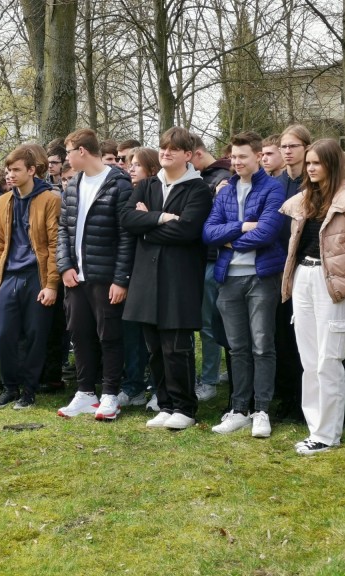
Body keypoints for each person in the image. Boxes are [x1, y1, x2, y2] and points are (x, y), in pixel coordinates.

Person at [279, 139, 345, 454]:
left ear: (332, 165)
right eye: (308, 163)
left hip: (332, 284)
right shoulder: (304, 201)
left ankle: (328, 434)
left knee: (328, 360)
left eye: (317, 163)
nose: (310, 168)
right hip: (303, 278)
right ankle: (315, 428)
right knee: (309, 360)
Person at [121, 126, 213, 430]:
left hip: (179, 278)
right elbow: (126, 219)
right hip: (147, 278)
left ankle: (184, 407)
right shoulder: (146, 185)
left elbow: (187, 230)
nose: (165, 152)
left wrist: (146, 224)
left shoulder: (198, 189)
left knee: (177, 346)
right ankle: (165, 403)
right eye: (163, 147)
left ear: (188, 154)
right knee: (155, 347)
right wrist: (160, 218)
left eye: (173, 148)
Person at [202, 131, 286, 437]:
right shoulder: (224, 191)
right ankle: (239, 409)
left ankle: (261, 410)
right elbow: (208, 232)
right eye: (234, 157)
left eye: (243, 157)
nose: (236, 162)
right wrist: (240, 227)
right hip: (229, 279)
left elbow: (267, 233)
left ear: (258, 157)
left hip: (261, 277)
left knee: (262, 345)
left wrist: (230, 241)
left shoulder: (273, 190)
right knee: (237, 347)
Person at [56, 128, 134, 421]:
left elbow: (126, 236)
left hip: (106, 277)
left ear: (82, 151)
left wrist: (120, 279)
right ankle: (85, 392)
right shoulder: (73, 185)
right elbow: (63, 229)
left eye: (69, 152)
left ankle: (110, 394)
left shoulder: (118, 184)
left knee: (110, 336)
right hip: (76, 278)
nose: (66, 158)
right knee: (80, 334)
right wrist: (64, 266)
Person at [0, 145, 61, 409]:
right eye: (8, 170)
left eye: (16, 170)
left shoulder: (50, 199)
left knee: (35, 336)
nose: (10, 175)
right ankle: (9, 387)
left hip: (37, 276)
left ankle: (28, 391)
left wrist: (51, 284)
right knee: (3, 333)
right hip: (9, 277)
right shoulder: (3, 202)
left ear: (32, 170)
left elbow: (54, 245)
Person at [190, 133, 233, 402]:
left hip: (214, 260)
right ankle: (214, 373)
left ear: (195, 153)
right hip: (201, 259)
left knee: (211, 324)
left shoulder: (221, 178)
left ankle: (209, 380)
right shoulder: (205, 178)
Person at [117, 148, 160, 410]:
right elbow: (126, 221)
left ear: (152, 170)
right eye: (129, 164)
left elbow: (169, 226)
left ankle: (157, 387)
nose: (130, 168)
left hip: (154, 272)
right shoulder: (130, 193)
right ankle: (132, 385)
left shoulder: (159, 191)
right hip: (129, 271)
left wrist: (148, 217)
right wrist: (143, 218)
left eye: (137, 165)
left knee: (154, 336)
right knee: (131, 333)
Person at [274, 124, 312, 421]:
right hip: (277, 266)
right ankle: (286, 398)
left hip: (303, 264)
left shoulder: (311, 183)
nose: (287, 152)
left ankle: (304, 400)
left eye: (293, 146)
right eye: (284, 146)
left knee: (303, 337)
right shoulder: (276, 182)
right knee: (281, 336)